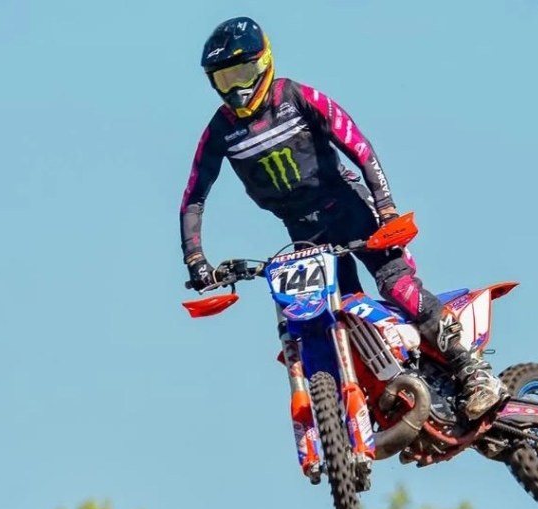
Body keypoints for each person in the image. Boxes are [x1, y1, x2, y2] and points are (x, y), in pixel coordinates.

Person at [179, 16, 505, 420]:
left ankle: (474, 371)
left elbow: (359, 147)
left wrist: (386, 209)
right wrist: (196, 259)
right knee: (334, 313)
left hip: (352, 209)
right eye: (225, 79)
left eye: (242, 73)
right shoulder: (217, 132)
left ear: (264, 63)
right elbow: (193, 197)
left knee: (397, 284)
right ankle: (379, 395)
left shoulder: (298, 97)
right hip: (304, 234)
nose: (237, 88)